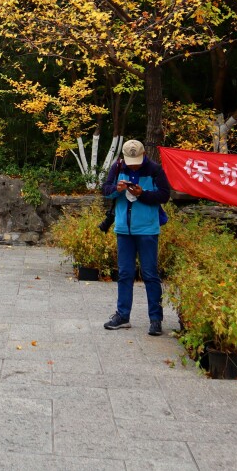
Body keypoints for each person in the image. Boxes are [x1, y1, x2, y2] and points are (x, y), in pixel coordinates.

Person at [102, 139, 172, 335]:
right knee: (124, 273)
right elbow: (105, 190)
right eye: (130, 161)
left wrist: (143, 194)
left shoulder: (155, 169)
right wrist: (117, 190)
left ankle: (156, 320)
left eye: (137, 161)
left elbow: (165, 195)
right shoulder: (117, 167)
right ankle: (122, 316)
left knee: (150, 274)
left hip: (148, 229)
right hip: (124, 229)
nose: (133, 164)